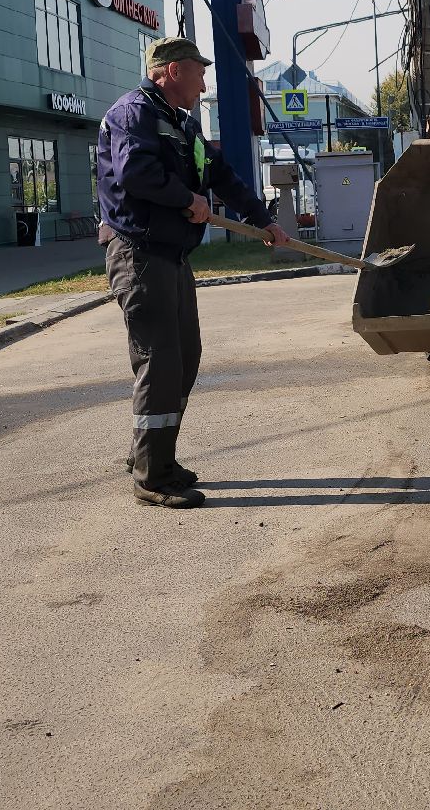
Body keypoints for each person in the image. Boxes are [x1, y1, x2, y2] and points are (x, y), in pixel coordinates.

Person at [95, 37, 287, 509]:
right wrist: (187, 200)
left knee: (184, 356)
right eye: (199, 73)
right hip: (139, 254)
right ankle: (152, 478)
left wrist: (262, 220)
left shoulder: (184, 125)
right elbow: (135, 174)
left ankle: (155, 455)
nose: (204, 82)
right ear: (173, 71)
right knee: (159, 361)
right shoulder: (133, 113)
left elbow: (221, 175)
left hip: (171, 258)